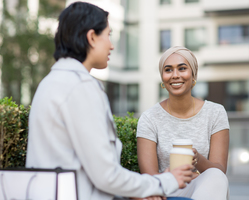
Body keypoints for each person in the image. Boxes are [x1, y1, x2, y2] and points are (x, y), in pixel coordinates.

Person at [25, 3, 194, 200]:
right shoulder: (81, 87)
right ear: (91, 37)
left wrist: (139, 192)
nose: (112, 45)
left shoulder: (50, 82)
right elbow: (106, 175)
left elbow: (87, 168)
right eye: (108, 34)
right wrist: (164, 182)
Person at [136, 46, 230, 200]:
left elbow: (220, 170)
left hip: (203, 188)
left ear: (193, 74)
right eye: (168, 70)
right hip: (166, 190)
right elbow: (150, 177)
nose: (175, 75)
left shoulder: (215, 113)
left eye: (182, 68)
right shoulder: (149, 118)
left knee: (215, 176)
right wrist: (173, 177)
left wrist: (197, 159)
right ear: (162, 77)